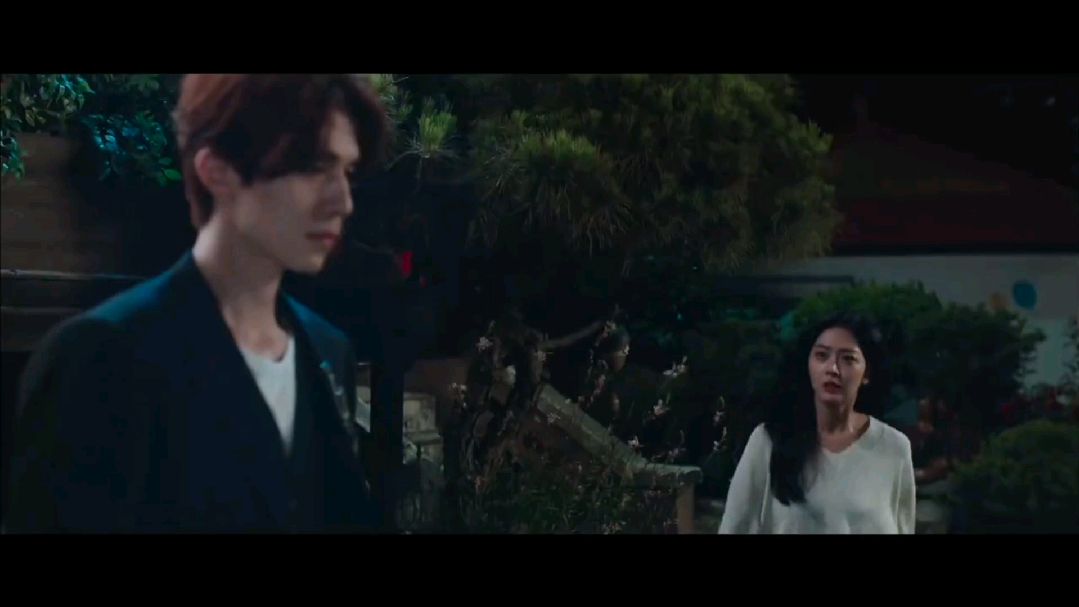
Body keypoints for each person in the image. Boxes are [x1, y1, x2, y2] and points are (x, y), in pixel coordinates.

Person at [6, 74, 392, 533]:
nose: (342, 202)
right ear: (217, 169)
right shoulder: (102, 355)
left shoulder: (327, 351)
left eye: (347, 172)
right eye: (313, 167)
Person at [719, 313, 915, 534]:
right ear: (808, 364)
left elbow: (904, 527)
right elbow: (734, 526)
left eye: (848, 359)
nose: (833, 369)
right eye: (822, 356)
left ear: (867, 373)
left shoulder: (894, 448)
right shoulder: (769, 441)